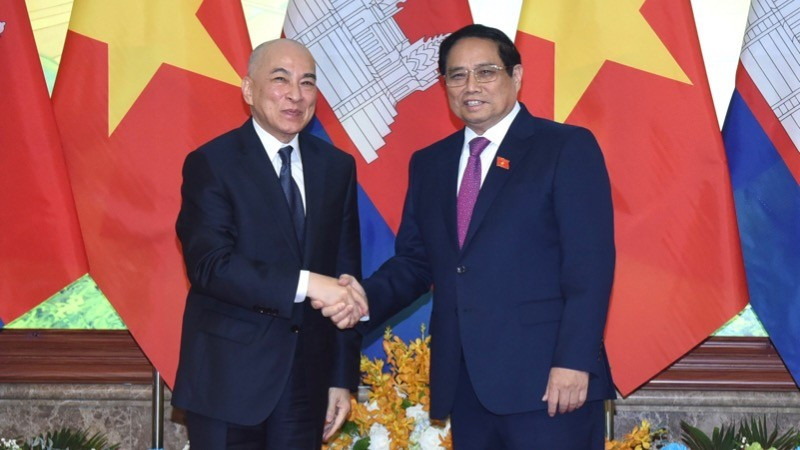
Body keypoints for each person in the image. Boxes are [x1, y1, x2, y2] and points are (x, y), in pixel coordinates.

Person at [339, 24, 616, 449]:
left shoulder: (564, 147)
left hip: (550, 384)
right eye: (457, 74)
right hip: (467, 386)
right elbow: (416, 262)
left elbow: (590, 266)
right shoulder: (430, 163)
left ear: (516, 76)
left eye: (486, 72)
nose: (471, 86)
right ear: (444, 84)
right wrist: (357, 303)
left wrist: (574, 362)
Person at [172, 39, 367, 450]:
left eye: (307, 82)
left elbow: (347, 280)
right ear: (248, 90)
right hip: (229, 382)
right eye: (281, 79)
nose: (296, 94)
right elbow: (210, 265)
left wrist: (340, 378)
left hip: (306, 386)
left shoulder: (337, 168)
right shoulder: (212, 162)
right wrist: (309, 282)